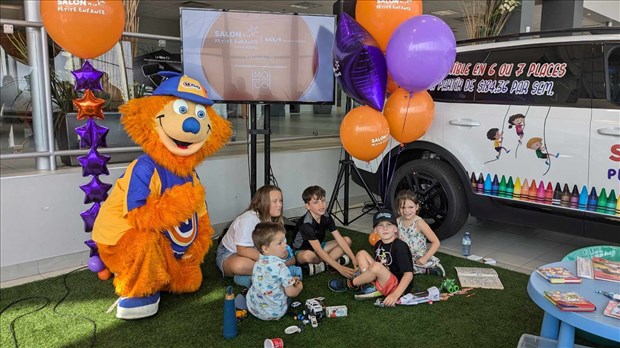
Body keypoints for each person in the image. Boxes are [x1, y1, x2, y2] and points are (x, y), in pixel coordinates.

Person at [216, 185, 298, 287]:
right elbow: (242, 250)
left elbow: (281, 246)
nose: (280, 205)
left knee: (292, 259)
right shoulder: (248, 219)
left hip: (262, 253)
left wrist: (283, 255)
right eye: (275, 201)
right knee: (239, 265)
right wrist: (272, 262)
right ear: (263, 203)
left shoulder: (276, 220)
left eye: (280, 201)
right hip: (233, 254)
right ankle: (278, 272)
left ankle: (260, 276)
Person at [328, 209, 413, 307]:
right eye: (380, 225)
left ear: (395, 229)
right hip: (384, 276)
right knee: (361, 253)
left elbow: (408, 275)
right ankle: (368, 284)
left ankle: (350, 284)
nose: (385, 228)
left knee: (376, 266)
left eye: (389, 225)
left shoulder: (400, 247)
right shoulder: (378, 244)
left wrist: (395, 295)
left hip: (396, 286)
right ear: (375, 230)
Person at [292, 185, 357, 277]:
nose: (321, 205)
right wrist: (340, 268)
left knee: (347, 240)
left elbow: (339, 238)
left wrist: (354, 258)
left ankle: (323, 266)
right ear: (307, 206)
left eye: (323, 200)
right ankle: (332, 262)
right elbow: (318, 250)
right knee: (308, 256)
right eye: (316, 202)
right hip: (302, 251)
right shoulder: (306, 224)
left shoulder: (326, 216)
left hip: (319, 246)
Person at [246, 222, 303, 320]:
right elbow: (291, 293)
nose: (285, 245)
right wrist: (298, 288)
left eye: (284, 241)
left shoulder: (259, 260)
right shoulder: (281, 267)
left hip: (253, 307)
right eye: (280, 243)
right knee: (293, 283)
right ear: (266, 248)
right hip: (275, 312)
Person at [395, 190, 445, 277]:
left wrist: (425, 258)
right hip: (405, 255)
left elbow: (436, 242)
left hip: (419, 257)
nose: (407, 211)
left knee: (406, 268)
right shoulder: (397, 222)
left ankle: (429, 269)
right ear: (398, 208)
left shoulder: (419, 223)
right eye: (403, 208)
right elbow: (395, 240)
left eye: (411, 207)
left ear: (417, 207)